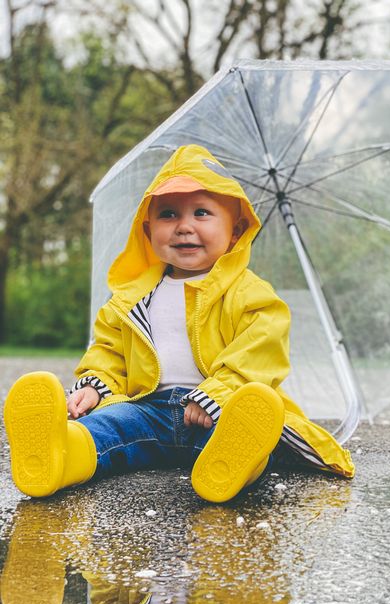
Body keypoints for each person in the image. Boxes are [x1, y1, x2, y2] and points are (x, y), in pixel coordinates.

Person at [3, 145, 354, 503]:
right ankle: (58, 456)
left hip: (216, 414)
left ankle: (231, 467)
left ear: (235, 230)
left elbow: (259, 355)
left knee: (246, 430)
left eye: (202, 213)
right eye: (168, 214)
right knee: (106, 428)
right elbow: (109, 352)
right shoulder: (130, 297)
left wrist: (215, 397)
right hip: (146, 408)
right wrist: (95, 387)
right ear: (147, 229)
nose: (184, 227)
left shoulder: (250, 294)